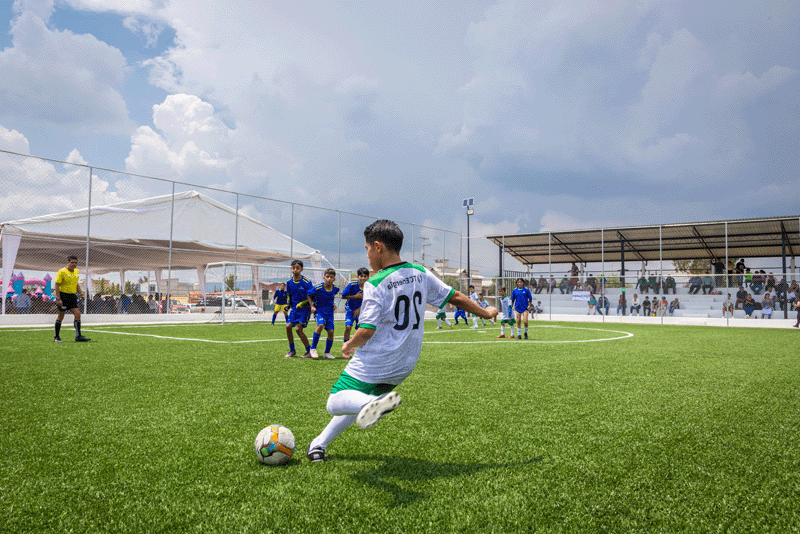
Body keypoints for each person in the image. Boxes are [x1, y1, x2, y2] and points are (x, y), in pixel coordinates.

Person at [306, 219, 498, 462]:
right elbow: (456, 296)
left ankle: (374, 403)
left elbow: (366, 330)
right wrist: (487, 312)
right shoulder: (421, 272)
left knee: (334, 402)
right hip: (404, 363)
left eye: (366, 250)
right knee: (356, 400)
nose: (367, 257)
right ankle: (318, 445)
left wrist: (348, 345)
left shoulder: (376, 283)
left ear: (378, 247)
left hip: (376, 360)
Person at [53, 255, 90, 342]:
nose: (74, 264)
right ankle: (56, 337)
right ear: (68, 262)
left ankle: (78, 336)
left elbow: (76, 283)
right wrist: (58, 298)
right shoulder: (62, 271)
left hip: (72, 296)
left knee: (77, 314)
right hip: (63, 296)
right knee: (60, 317)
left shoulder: (77, 271)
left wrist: (81, 293)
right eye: (72, 262)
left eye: (75, 263)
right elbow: (57, 285)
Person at [284, 259, 314, 358]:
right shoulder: (289, 282)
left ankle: (309, 351)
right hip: (295, 310)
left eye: (297, 268)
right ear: (291, 269)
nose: (295, 270)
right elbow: (289, 295)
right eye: (293, 268)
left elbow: (312, 296)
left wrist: (303, 303)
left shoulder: (306, 282)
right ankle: (292, 350)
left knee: (298, 329)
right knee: (288, 327)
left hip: (305, 309)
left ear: (302, 269)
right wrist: (288, 305)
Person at [307, 268, 340, 359]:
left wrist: (333, 304)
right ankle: (313, 349)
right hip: (319, 311)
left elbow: (331, 297)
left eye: (331, 277)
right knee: (320, 325)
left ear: (334, 279)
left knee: (331, 332)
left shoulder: (336, 289)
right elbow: (309, 294)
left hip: (329, 312)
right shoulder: (318, 288)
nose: (329, 278)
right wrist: (312, 306)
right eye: (327, 277)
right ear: (324, 278)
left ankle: (327, 353)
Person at [340, 268, 370, 344]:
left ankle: (361, 347)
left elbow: (369, 301)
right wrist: (355, 297)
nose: (363, 278)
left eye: (365, 276)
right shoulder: (352, 285)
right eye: (361, 276)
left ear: (368, 277)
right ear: (357, 276)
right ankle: (345, 345)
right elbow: (343, 296)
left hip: (362, 311)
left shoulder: (369, 287)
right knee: (348, 327)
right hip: (350, 309)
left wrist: (359, 309)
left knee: (362, 330)